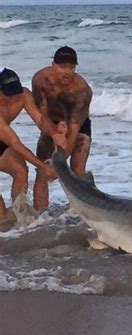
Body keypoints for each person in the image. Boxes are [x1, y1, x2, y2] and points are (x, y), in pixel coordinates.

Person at [0, 67, 66, 220]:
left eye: (16, 93)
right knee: (0, 211)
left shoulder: (23, 95)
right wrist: (43, 167)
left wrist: (54, 134)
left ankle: (19, 217)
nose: (13, 98)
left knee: (21, 170)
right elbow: (15, 143)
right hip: (5, 137)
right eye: (9, 95)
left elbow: (40, 119)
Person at [32, 46, 93, 211]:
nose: (67, 71)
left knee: (77, 170)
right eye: (62, 66)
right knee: (43, 171)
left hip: (78, 124)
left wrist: (59, 163)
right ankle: (39, 218)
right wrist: (54, 132)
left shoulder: (82, 91)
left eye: (71, 67)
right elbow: (41, 115)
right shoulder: (40, 80)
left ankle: (80, 213)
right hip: (50, 122)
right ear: (53, 65)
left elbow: (73, 129)